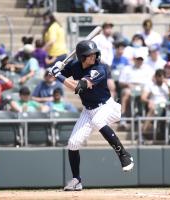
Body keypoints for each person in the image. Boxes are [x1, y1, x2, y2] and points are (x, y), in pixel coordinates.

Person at [48, 40, 134, 191]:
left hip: (107, 107)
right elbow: (57, 72)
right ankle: (77, 180)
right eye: (89, 55)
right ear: (82, 57)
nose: (93, 56)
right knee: (73, 143)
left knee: (98, 120)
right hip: (88, 110)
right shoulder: (75, 65)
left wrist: (59, 76)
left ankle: (124, 154)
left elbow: (77, 87)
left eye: (94, 53)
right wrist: (58, 67)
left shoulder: (99, 70)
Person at [93, 22, 116, 98]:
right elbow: (93, 50)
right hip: (100, 65)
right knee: (101, 87)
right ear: (103, 29)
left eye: (110, 28)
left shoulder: (110, 40)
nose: (109, 30)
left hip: (108, 66)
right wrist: (99, 59)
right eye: (107, 28)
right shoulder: (98, 38)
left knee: (111, 87)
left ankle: (111, 105)